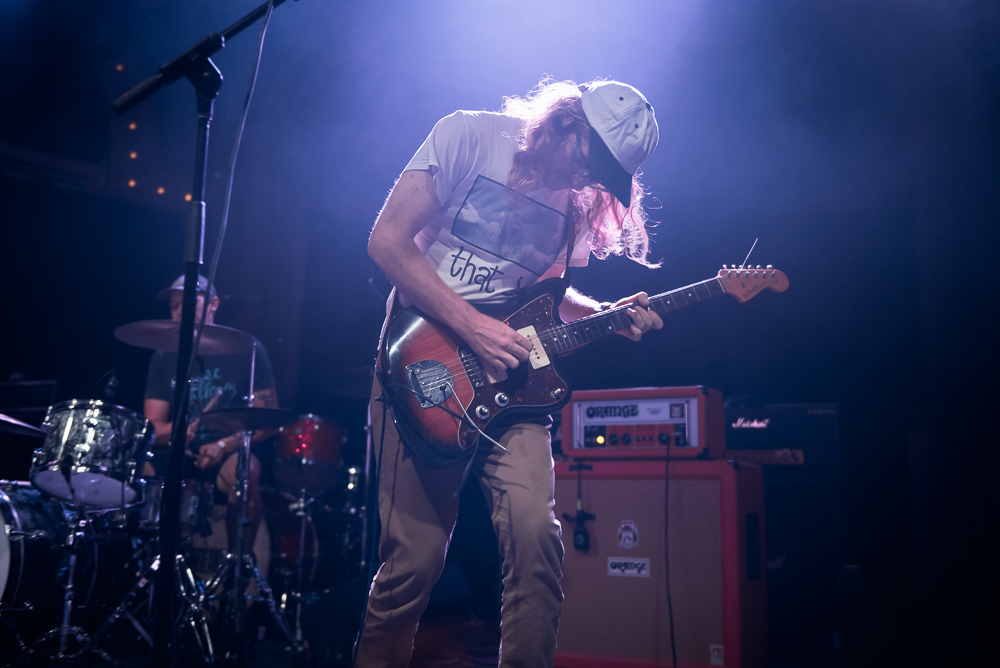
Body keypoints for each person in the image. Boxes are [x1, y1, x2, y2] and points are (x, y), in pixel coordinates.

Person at [357, 78, 664, 667]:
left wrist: (604, 314)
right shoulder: (468, 136)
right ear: (566, 122)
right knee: (413, 565)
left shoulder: (576, 205)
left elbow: (545, 298)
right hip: (422, 371)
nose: (589, 178)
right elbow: (387, 242)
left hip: (513, 383)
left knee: (536, 542)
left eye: (605, 174)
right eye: (590, 159)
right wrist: (471, 325)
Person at [143, 274, 278, 553]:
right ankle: (148, 558)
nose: (179, 310)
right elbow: (152, 427)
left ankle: (238, 564)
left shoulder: (247, 350)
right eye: (174, 305)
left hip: (228, 452)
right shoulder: (163, 356)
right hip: (179, 453)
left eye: (187, 302)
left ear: (213, 304)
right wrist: (177, 434)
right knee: (138, 470)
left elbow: (268, 420)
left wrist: (223, 445)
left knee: (246, 471)